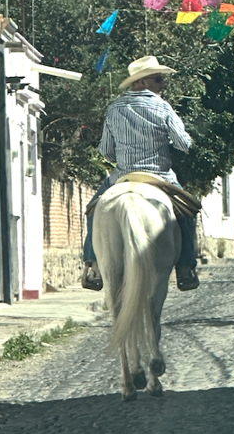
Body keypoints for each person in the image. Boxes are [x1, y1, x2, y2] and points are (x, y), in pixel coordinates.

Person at [82, 55, 199, 292]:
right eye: (158, 79)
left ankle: (92, 266)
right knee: (188, 213)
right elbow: (183, 144)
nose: (162, 85)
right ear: (143, 82)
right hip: (161, 176)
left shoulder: (113, 108)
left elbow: (106, 151)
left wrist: (124, 158)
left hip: (122, 176)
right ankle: (186, 268)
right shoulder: (163, 107)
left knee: (94, 210)